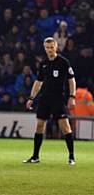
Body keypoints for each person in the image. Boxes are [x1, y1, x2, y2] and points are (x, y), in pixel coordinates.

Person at [24, 37, 77, 165]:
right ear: (44, 48)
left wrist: (72, 96)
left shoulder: (64, 62)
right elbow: (38, 82)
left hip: (58, 99)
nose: (49, 50)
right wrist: (32, 97)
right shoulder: (44, 63)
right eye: (47, 48)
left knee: (65, 127)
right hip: (45, 98)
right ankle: (35, 156)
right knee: (40, 126)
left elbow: (71, 80)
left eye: (51, 47)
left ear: (56, 47)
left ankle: (71, 157)